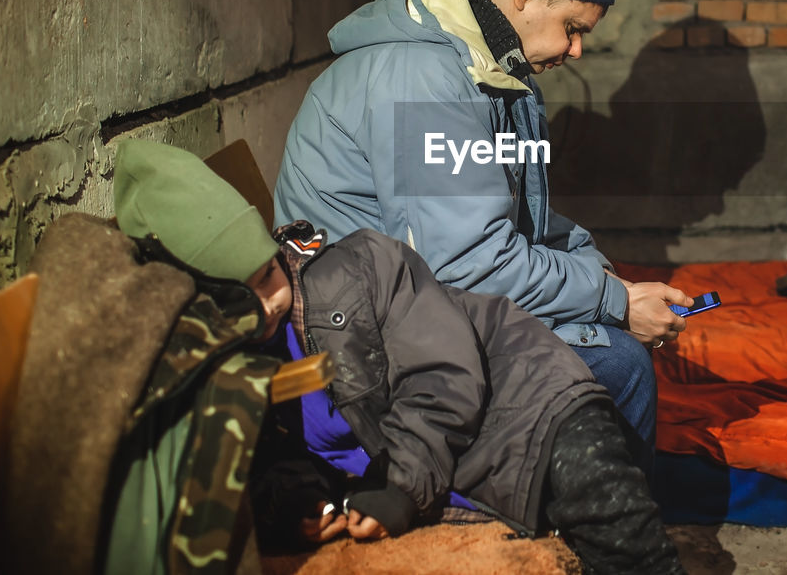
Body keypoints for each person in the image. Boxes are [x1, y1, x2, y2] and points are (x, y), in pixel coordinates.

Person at [112, 139, 685, 574]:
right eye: (243, 294)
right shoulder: (221, 363)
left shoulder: (356, 269)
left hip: (519, 398)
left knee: (616, 519)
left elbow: (444, 376)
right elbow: (267, 456)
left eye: (268, 273)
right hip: (431, 461)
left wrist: (401, 488)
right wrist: (299, 501)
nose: (269, 303)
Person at [274, 0, 693, 459]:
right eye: (573, 28)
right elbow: (464, 266)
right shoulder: (423, 79)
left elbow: (524, 217)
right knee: (617, 364)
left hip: (417, 302)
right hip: (362, 340)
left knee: (610, 335)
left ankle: (594, 525)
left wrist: (604, 279)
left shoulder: (501, 77)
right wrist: (612, 303)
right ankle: (606, 543)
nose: (577, 52)